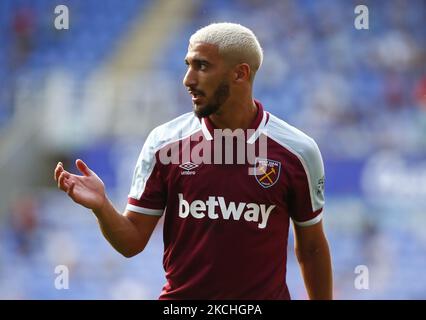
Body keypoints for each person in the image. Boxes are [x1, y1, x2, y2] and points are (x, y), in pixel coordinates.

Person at [54, 22, 333, 300]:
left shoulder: (297, 151)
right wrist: (102, 207)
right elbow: (132, 242)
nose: (188, 79)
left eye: (202, 66)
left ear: (240, 73)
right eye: (188, 65)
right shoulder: (165, 143)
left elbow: (311, 249)